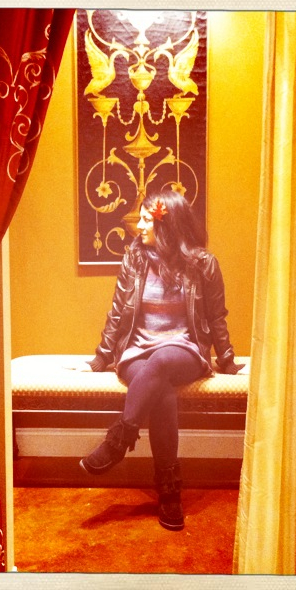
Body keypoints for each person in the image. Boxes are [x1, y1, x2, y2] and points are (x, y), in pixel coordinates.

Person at [79, 188, 244, 531]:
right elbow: (117, 311)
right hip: (137, 350)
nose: (137, 225)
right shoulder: (134, 259)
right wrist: (102, 357)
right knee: (162, 392)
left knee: (162, 363)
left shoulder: (203, 263)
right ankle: (169, 491)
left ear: (165, 224)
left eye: (145, 219)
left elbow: (217, 315)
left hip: (184, 349)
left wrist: (226, 358)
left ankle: (119, 440)